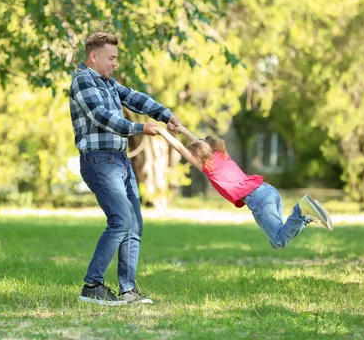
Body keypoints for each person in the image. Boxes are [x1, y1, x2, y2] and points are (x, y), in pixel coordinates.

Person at [69, 32, 182, 306]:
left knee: (133, 224)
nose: (115, 64)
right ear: (93, 56)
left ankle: (128, 290)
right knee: (120, 219)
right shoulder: (83, 80)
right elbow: (102, 117)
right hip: (99, 160)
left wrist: (165, 115)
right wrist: (140, 128)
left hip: (120, 160)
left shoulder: (109, 83)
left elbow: (135, 98)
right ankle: (92, 285)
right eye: (111, 58)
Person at [155, 124, 333, 249]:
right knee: (276, 239)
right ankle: (306, 215)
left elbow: (181, 149)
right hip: (269, 191)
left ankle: (301, 210)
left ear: (199, 159)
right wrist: (183, 129)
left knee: (279, 241)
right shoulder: (221, 155)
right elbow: (200, 144)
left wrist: (163, 132)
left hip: (258, 200)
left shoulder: (208, 168)